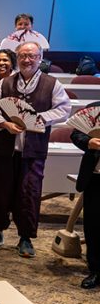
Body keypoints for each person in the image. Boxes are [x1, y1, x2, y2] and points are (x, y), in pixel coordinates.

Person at [0, 41, 71, 258]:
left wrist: (38, 119)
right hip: (5, 146)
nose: (27, 60)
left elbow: (64, 109)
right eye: (23, 56)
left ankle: (25, 237)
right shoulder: (5, 84)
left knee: (29, 192)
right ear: (17, 58)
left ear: (40, 58)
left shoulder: (51, 84)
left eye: (32, 56)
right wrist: (4, 124)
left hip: (33, 149)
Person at [71, 101, 100, 289]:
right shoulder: (95, 109)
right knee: (93, 225)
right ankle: (95, 270)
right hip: (96, 179)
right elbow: (76, 133)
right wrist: (88, 142)